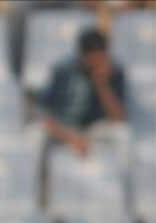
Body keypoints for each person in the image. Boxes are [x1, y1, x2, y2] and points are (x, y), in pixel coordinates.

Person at [39, 27, 128, 159]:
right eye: (92, 60)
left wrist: (102, 84)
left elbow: (119, 117)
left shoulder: (115, 72)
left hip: (95, 129)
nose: (96, 64)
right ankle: (40, 179)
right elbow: (45, 116)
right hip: (64, 127)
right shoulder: (63, 70)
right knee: (36, 135)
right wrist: (72, 138)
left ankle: (122, 179)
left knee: (122, 134)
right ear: (82, 55)